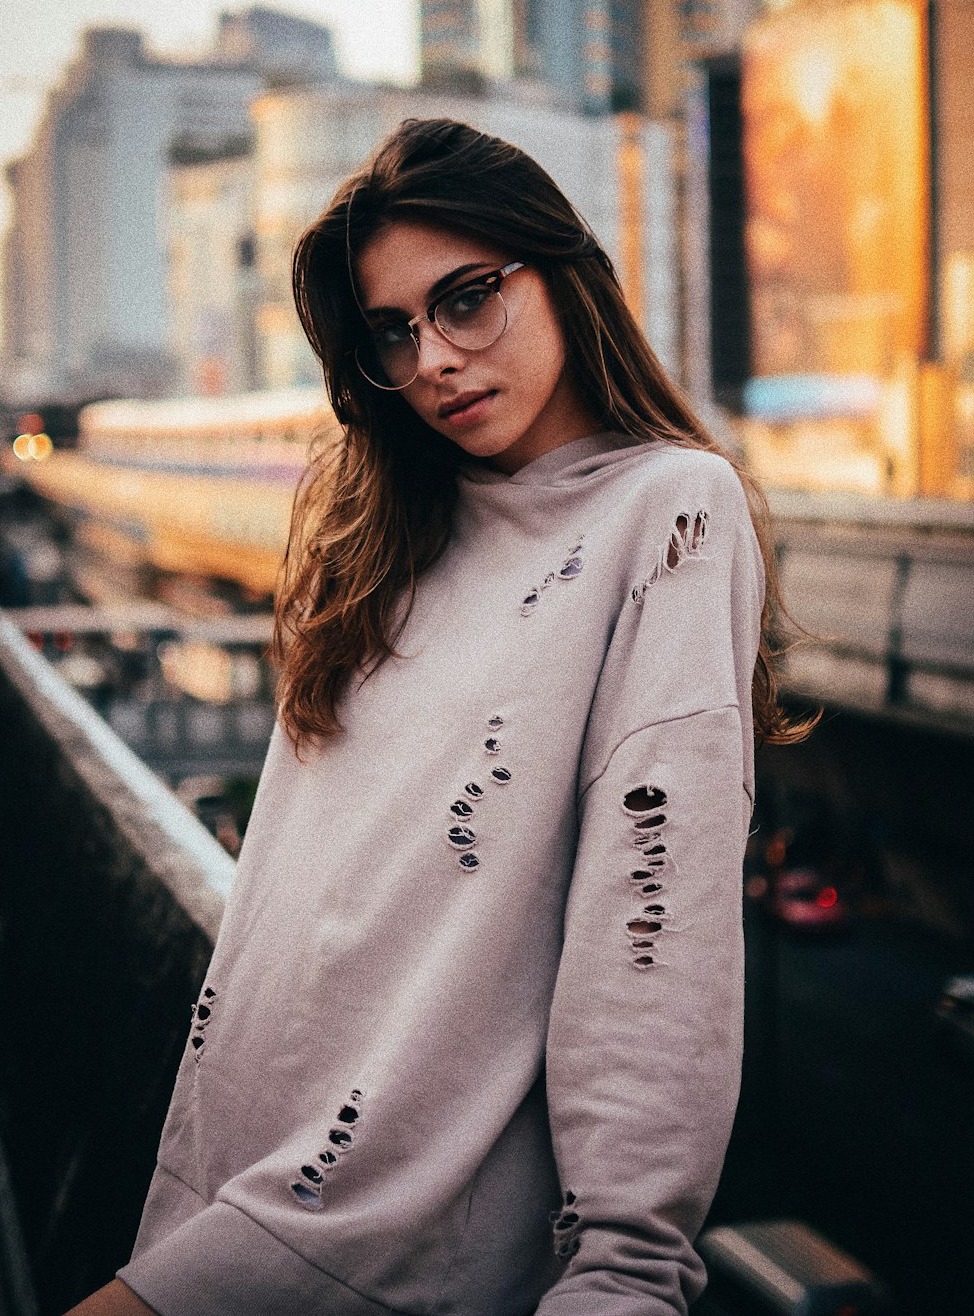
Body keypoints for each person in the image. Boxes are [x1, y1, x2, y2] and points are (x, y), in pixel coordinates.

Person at [68, 118, 816, 1316]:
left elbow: (652, 916)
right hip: (223, 1190)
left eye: (468, 299)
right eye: (392, 333)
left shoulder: (669, 510)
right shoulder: (375, 534)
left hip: (402, 1239)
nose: (433, 362)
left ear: (563, 272)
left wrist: (626, 1266)